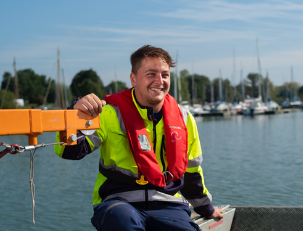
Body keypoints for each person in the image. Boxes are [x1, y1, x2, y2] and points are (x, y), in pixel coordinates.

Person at [54, 45, 223, 231]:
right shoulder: (109, 113)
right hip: (118, 203)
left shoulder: (184, 118)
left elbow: (192, 171)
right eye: (151, 74)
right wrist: (74, 113)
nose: (160, 81)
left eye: (165, 75)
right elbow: (68, 151)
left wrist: (205, 208)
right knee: (122, 221)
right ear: (133, 79)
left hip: (169, 204)